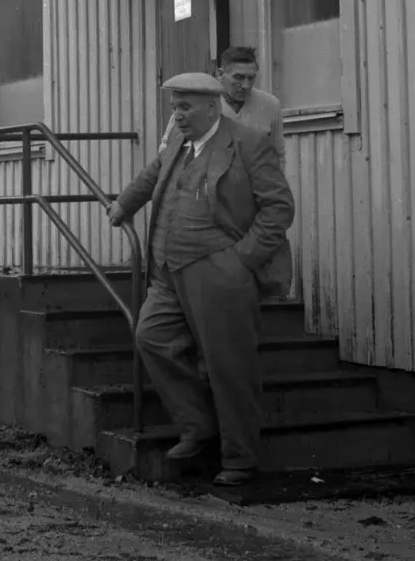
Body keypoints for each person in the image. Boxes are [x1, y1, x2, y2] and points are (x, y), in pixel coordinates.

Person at [108, 72, 295, 488]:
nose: (177, 115)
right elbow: (154, 173)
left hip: (220, 273)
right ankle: (197, 425)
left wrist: (242, 259)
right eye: (174, 106)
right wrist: (124, 203)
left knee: (229, 365)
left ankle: (240, 458)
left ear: (212, 106)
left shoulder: (247, 143)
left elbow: (279, 208)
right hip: (168, 272)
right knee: (150, 336)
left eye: (185, 107)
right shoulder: (178, 141)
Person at [158, 46, 284, 169]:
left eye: (251, 78)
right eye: (239, 77)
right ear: (220, 74)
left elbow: (277, 155)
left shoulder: (270, 105)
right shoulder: (202, 104)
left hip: (256, 183)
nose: (246, 85)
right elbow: (167, 151)